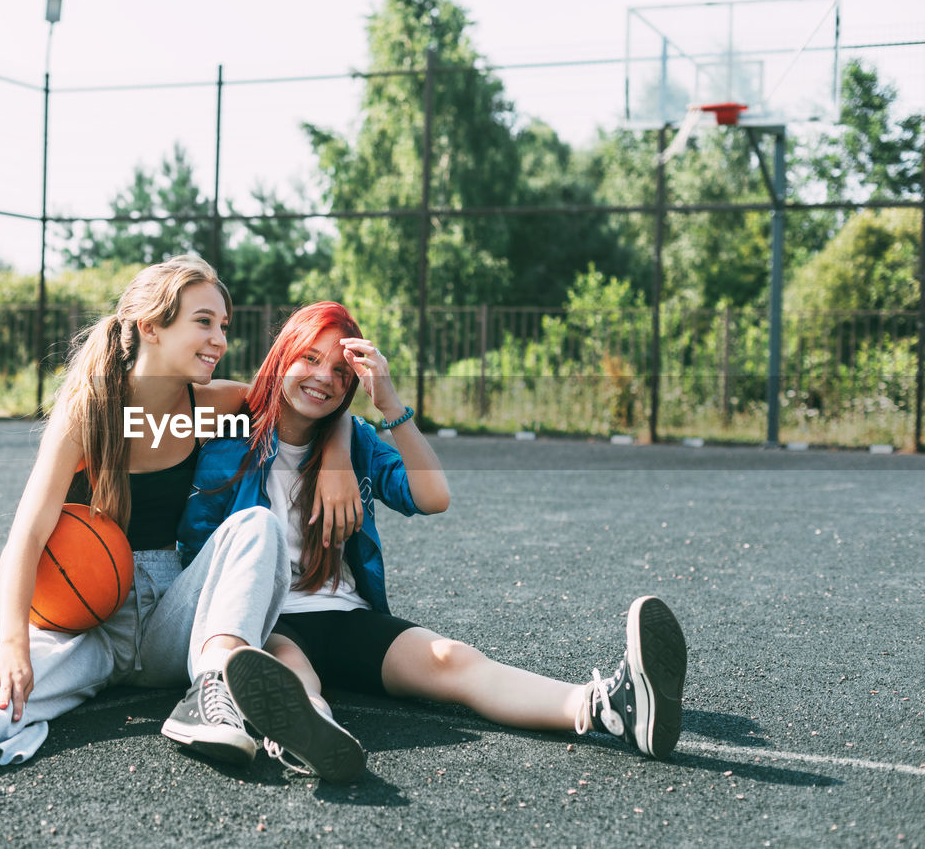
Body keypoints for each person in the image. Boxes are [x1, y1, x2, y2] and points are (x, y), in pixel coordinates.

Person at [0, 257, 364, 788]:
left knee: (255, 525)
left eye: (224, 325)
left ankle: (212, 691)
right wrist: (12, 642)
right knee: (15, 673)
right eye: (205, 322)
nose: (221, 339)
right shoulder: (88, 413)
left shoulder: (211, 405)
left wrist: (337, 453)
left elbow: (306, 399)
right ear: (151, 326)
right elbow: (27, 536)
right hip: (90, 620)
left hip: (175, 617)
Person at [177, 301, 689, 783]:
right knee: (291, 671)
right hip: (269, 616)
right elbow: (201, 542)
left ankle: (606, 707)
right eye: (310, 358)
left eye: (339, 372)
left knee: (453, 659)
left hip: (345, 614)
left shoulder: (355, 441)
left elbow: (433, 495)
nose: (322, 378)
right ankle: (307, 735)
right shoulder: (226, 438)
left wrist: (390, 405)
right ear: (283, 355)